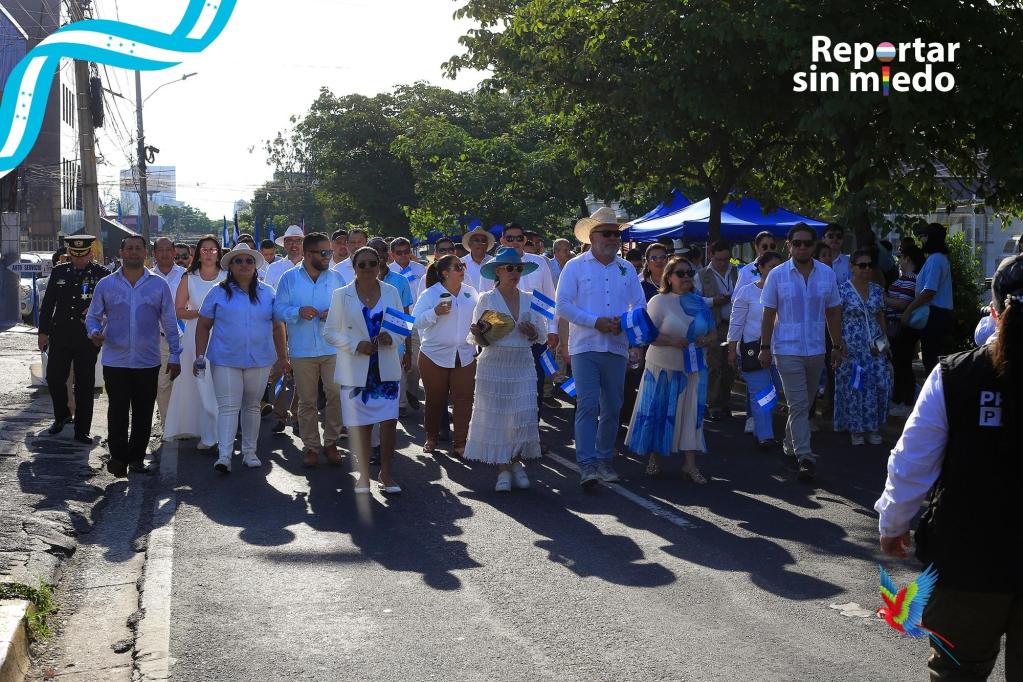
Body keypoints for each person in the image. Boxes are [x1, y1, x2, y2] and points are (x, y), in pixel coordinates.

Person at [875, 254, 1022, 682]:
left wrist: (893, 522)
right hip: (971, 556)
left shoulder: (955, 375)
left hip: (969, 557)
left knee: (957, 673)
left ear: (994, 312)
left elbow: (912, 461)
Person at [556, 207, 646, 487]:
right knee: (587, 404)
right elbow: (562, 306)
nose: (614, 239)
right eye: (607, 233)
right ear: (593, 236)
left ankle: (604, 459)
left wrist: (625, 324)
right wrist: (595, 322)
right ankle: (587, 464)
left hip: (616, 347)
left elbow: (640, 305)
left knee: (613, 407)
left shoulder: (627, 268)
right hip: (585, 346)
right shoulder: (575, 266)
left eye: (617, 233)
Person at [85, 236, 181, 477]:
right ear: (121, 252)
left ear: (145, 253)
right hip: (115, 360)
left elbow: (170, 323)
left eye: (139, 248)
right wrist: (94, 332)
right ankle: (118, 457)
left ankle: (137, 458)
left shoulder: (158, 285)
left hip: (148, 360)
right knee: (117, 410)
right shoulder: (106, 285)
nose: (134, 252)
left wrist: (176, 356)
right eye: (129, 248)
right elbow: (93, 316)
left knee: (143, 411)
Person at [759, 223, 845, 482]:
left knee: (803, 405)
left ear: (814, 245)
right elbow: (768, 313)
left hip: (816, 349)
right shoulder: (777, 275)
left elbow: (833, 311)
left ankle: (788, 445)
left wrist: (837, 345)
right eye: (797, 243)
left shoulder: (826, 274)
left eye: (807, 243)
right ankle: (805, 457)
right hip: (786, 349)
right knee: (798, 404)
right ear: (789, 245)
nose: (803, 247)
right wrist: (764, 347)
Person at [195, 243, 287, 473]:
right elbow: (204, 325)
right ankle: (225, 455)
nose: (244, 265)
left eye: (248, 261)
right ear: (231, 266)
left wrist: (283, 358)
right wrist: (199, 355)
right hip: (225, 357)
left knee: (252, 406)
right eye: (238, 261)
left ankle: (249, 452)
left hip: (260, 358)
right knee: (228, 407)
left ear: (255, 266)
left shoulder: (268, 293)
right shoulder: (217, 291)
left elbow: (278, 327)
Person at [323, 247, 404, 495]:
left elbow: (402, 328)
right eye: (362, 264)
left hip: (385, 368)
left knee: (389, 423)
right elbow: (329, 333)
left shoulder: (391, 291)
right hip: (356, 368)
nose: (368, 268)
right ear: (354, 267)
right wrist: (355, 345)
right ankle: (363, 476)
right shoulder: (341, 294)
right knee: (361, 427)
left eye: (372, 264)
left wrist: (392, 338)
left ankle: (386, 474)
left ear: (379, 265)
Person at [627, 256, 715, 482]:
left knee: (691, 416)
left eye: (689, 272)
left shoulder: (700, 302)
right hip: (663, 368)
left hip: (693, 368)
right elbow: (649, 335)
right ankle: (654, 459)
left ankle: (690, 465)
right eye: (681, 273)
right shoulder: (658, 301)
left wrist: (704, 341)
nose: (686, 277)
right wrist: (674, 341)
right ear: (669, 277)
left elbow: (713, 333)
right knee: (660, 413)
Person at [463, 248, 545, 490]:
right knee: (497, 417)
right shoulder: (486, 298)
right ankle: (503, 469)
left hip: (522, 362)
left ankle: (516, 461)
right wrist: (478, 333)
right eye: (510, 268)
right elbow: (479, 340)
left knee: (521, 416)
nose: (515, 272)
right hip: (494, 363)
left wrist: (533, 332)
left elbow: (540, 335)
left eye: (518, 268)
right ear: (498, 271)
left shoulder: (531, 298)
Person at [273, 233, 347, 467]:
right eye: (323, 253)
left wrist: (333, 314)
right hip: (302, 350)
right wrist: (297, 312)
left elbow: (348, 309)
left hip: (332, 347)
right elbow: (278, 311)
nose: (328, 257)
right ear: (307, 254)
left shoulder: (336, 278)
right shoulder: (289, 278)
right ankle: (311, 446)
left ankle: (331, 442)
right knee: (307, 401)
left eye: (330, 252)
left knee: (335, 396)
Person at [37, 234, 108, 444]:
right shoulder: (60, 272)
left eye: (82, 255)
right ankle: (62, 416)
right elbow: (48, 304)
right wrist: (43, 332)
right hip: (60, 334)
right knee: (54, 377)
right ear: (69, 254)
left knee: (85, 384)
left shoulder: (101, 274)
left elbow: (110, 305)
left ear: (90, 253)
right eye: (74, 255)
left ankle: (82, 430)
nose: (78, 260)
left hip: (87, 337)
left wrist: (98, 315)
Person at [411, 254, 479, 457]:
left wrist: (480, 327)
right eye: (457, 266)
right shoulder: (431, 293)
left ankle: (460, 442)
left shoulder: (471, 292)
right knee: (435, 399)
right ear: (445, 273)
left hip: (465, 353)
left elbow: (479, 316)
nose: (462, 269)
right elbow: (415, 322)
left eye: (463, 266)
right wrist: (434, 313)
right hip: (434, 355)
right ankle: (431, 437)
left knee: (464, 399)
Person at [164, 235, 225, 449]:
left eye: (212, 249)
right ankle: (203, 431)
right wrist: (201, 313)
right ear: (197, 253)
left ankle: (220, 431)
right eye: (204, 249)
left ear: (219, 252)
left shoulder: (228, 276)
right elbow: (178, 311)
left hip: (224, 335)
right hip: (194, 335)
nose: (208, 253)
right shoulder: (188, 278)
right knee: (198, 382)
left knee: (221, 383)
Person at [833, 248, 892, 445]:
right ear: (852, 267)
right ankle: (856, 429)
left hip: (875, 345)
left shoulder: (877, 289)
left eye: (869, 265)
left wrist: (885, 343)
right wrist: (839, 344)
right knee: (855, 387)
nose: (866, 269)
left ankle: (873, 427)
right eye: (862, 265)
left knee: (879, 385)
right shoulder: (842, 290)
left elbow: (880, 316)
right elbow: (836, 319)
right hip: (852, 346)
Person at [727, 251, 784, 451]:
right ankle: (765, 436)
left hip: (782, 351)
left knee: (773, 393)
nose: (775, 271)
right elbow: (736, 323)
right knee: (761, 392)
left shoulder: (785, 291)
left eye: (779, 267)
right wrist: (732, 349)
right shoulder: (746, 292)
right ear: (760, 268)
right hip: (753, 349)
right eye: (771, 267)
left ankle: (761, 429)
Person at [264, 225, 305, 434]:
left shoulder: (313, 266)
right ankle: (280, 415)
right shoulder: (275, 268)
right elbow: (269, 298)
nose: (294, 244)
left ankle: (297, 413)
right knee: (280, 370)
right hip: (280, 324)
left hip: (305, 325)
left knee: (301, 372)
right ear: (284, 244)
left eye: (297, 240)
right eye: (289, 241)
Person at [902, 223, 954, 372]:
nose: (921, 240)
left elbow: (929, 292)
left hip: (935, 315)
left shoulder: (935, 259)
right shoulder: (937, 258)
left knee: (932, 361)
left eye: (923, 236)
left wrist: (908, 311)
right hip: (938, 315)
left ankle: (938, 393)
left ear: (931, 238)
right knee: (933, 360)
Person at [698, 240, 738, 421]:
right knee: (714, 365)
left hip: (735, 325)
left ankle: (724, 402)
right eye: (719, 259)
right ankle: (713, 404)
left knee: (730, 366)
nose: (723, 263)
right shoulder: (701, 275)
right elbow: (696, 301)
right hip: (714, 325)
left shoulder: (737, 271)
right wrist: (714, 301)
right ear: (711, 256)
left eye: (726, 259)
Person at [150, 237, 187, 424]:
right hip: (160, 339)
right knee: (163, 384)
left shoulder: (187, 275)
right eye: (160, 250)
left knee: (186, 383)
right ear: (154, 253)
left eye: (168, 249)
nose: (164, 254)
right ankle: (167, 425)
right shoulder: (147, 277)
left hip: (186, 338)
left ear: (174, 252)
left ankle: (185, 424)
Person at [885, 244, 924, 416]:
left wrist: (884, 298)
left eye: (901, 256)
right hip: (896, 326)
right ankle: (899, 399)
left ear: (907, 258)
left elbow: (902, 303)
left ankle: (905, 401)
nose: (899, 260)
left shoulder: (911, 279)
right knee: (899, 364)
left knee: (903, 365)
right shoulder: (907, 278)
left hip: (901, 327)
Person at [461, 226, 495, 291]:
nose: (480, 243)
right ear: (469, 244)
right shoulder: (461, 263)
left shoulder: (494, 262)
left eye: (483, 241)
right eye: (476, 240)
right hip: (469, 301)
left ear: (487, 245)